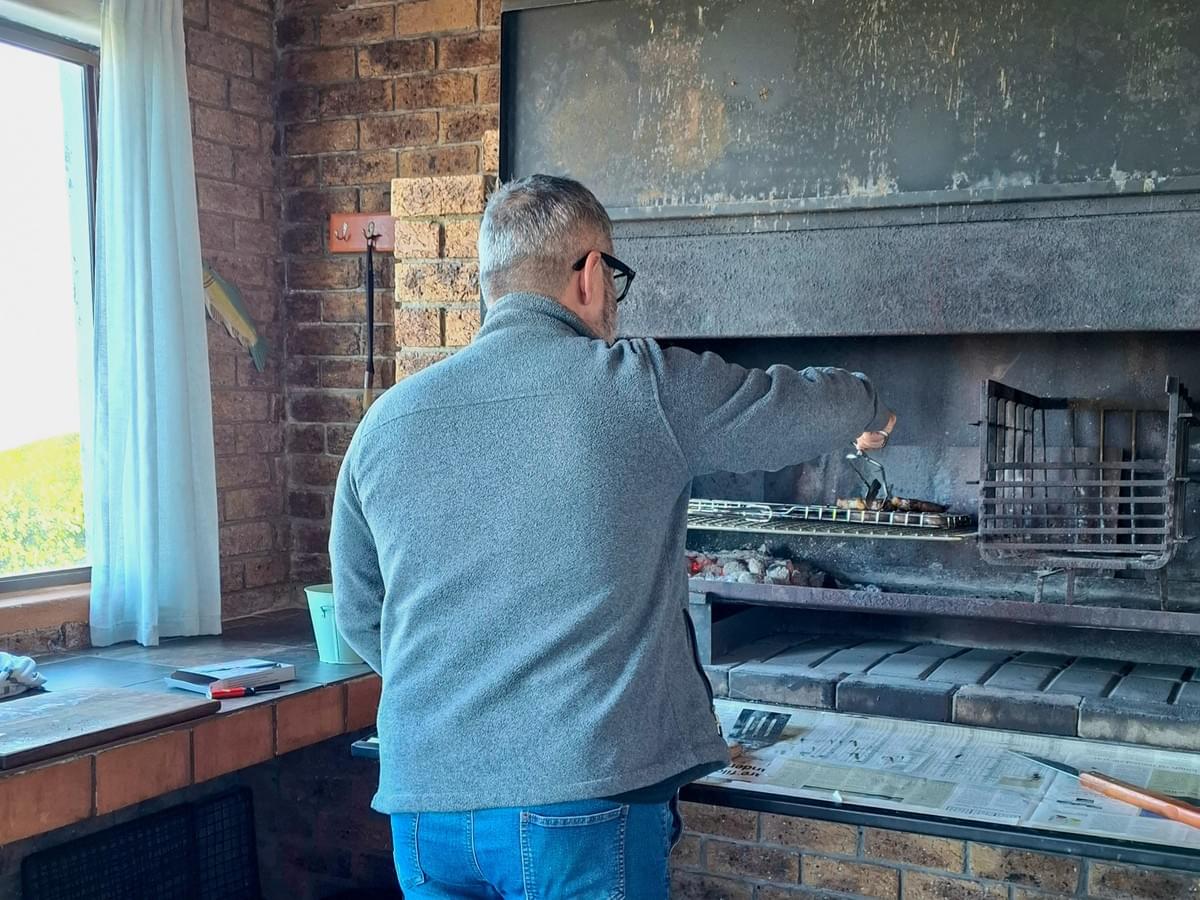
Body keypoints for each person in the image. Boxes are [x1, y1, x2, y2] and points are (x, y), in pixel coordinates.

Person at [331, 174, 895, 898]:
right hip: (580, 800)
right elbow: (799, 407)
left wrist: (462, 698)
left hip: (424, 807)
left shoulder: (385, 424)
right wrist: (869, 406)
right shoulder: (638, 385)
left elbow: (358, 612)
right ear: (592, 274)